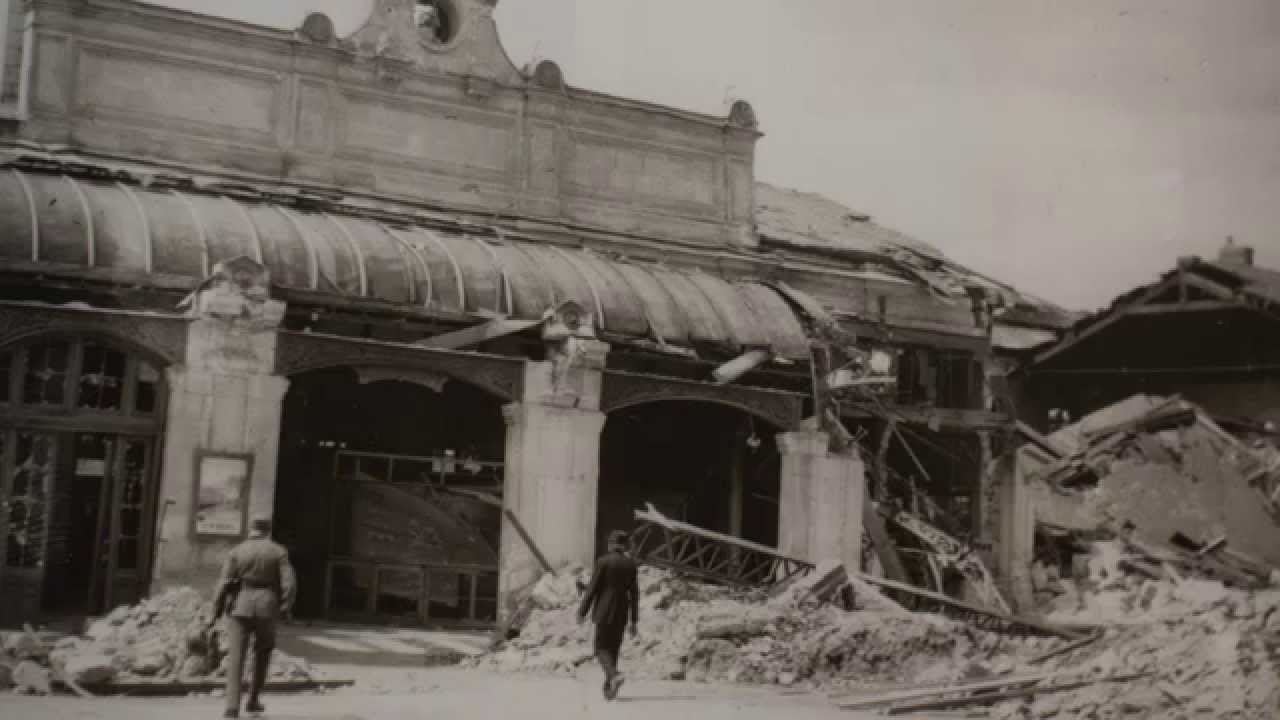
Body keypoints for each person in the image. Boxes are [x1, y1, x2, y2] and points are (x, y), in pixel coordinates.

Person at [209, 516, 297, 719]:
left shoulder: (237, 551)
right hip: (267, 607)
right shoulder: (278, 551)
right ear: (268, 530)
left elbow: (222, 583)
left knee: (236, 656)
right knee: (263, 652)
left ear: (251, 529)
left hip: (240, 606)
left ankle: (232, 707)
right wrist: (285, 607)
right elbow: (289, 583)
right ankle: (253, 700)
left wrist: (215, 611)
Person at [577, 530, 639, 701]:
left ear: (612, 544)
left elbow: (592, 589)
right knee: (613, 649)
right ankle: (610, 688)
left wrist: (582, 612)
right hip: (622, 611)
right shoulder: (631, 564)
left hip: (604, 610)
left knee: (599, 648)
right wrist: (634, 621)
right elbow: (635, 595)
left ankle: (614, 675)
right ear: (624, 545)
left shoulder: (603, 561)